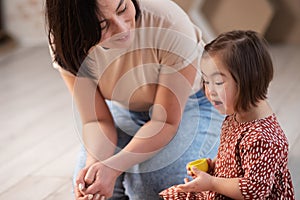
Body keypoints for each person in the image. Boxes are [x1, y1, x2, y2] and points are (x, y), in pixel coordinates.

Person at [45, 0, 224, 199]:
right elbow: (96, 120)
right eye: (103, 25)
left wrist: (113, 167)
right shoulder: (65, 43)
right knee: (91, 191)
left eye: (122, 9)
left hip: (195, 102)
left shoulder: (169, 23)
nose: (122, 28)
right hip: (127, 107)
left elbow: (164, 121)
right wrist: (95, 166)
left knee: (152, 187)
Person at [159, 30, 295, 199]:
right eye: (206, 82)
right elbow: (233, 158)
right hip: (223, 189)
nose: (210, 91)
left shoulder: (264, 139)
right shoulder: (236, 116)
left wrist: (212, 183)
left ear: (249, 80)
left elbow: (253, 191)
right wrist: (211, 165)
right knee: (172, 195)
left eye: (218, 82)